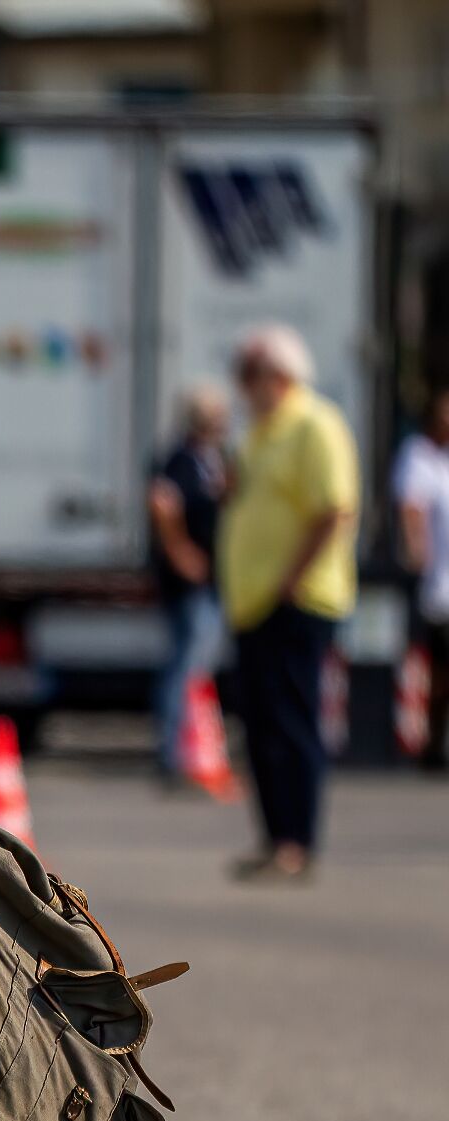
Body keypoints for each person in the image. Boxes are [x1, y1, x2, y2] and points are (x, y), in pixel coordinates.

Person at [218, 323, 360, 881]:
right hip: (255, 602)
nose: (242, 386)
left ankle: (297, 844)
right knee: (259, 726)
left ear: (280, 374)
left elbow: (335, 510)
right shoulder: (261, 431)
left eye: (250, 374)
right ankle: (276, 838)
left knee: (292, 724)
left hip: (295, 601)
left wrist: (290, 579)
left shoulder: (314, 424)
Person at [148, 384, 234, 783]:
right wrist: (181, 551)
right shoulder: (181, 458)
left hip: (215, 580)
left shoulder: (212, 458)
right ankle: (173, 753)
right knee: (187, 666)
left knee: (200, 665)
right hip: (190, 586)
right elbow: (162, 503)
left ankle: (193, 749)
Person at [392, 388, 449, 770]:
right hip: (440, 583)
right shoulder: (419, 455)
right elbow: (412, 508)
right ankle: (431, 743)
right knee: (440, 670)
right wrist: (416, 549)